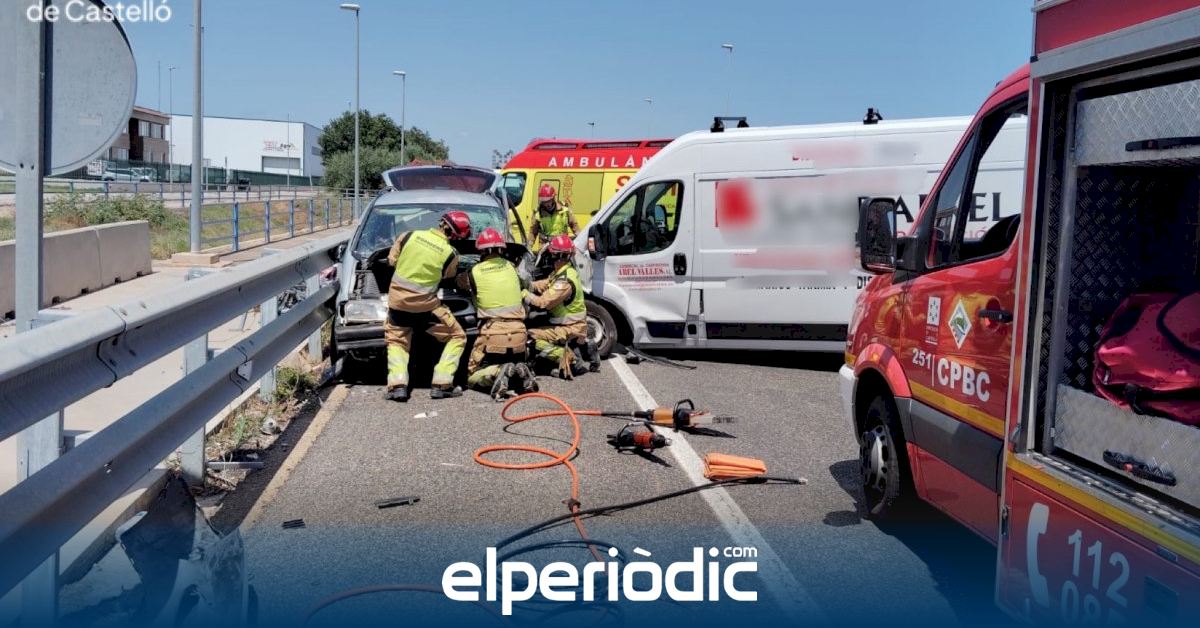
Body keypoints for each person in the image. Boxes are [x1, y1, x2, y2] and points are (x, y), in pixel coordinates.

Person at [383, 210, 473, 402]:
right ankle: (442, 384)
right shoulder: (451, 254)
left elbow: (392, 261)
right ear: (457, 236)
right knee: (457, 336)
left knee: (397, 342)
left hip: (398, 304)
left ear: (441, 223)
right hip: (426, 309)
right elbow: (448, 277)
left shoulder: (408, 236)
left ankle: (398, 387)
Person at [457, 227, 537, 399]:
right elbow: (526, 284)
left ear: (481, 251)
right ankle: (521, 373)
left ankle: (497, 372)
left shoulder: (474, 272)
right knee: (513, 364)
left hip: (492, 335)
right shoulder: (512, 268)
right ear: (501, 249)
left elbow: (458, 282)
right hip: (520, 334)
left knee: (471, 376)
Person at [524, 234, 601, 378]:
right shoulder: (564, 271)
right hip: (571, 325)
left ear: (557, 256)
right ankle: (584, 347)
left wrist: (523, 294)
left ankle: (572, 361)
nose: (549, 257)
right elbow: (546, 283)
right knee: (536, 322)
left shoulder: (564, 281)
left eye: (551, 254)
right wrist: (527, 285)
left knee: (530, 337)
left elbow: (543, 303)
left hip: (569, 327)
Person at [529, 183, 580, 250]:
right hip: (545, 248)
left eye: (548, 201)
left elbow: (574, 225)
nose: (546, 204)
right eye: (544, 202)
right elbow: (533, 232)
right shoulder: (537, 213)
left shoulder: (564, 210)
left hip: (562, 246)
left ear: (553, 198)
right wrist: (529, 246)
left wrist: (580, 239)